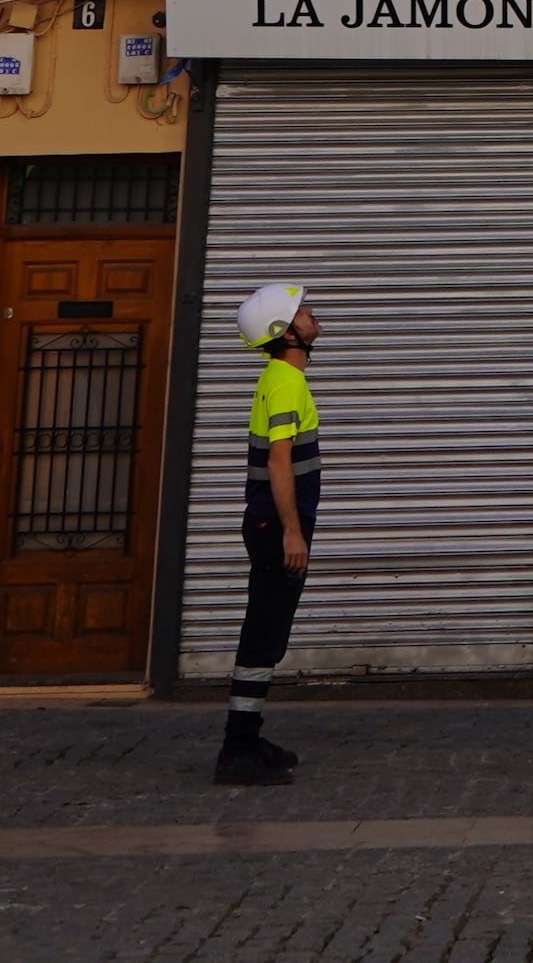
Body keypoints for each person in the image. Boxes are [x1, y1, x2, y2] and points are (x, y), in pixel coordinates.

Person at [215, 280, 323, 785]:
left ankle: (249, 737)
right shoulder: (286, 382)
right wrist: (292, 533)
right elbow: (280, 461)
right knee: (263, 631)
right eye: (302, 312)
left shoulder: (279, 378)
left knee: (269, 630)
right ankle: (236, 751)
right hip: (274, 527)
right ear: (285, 332)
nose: (312, 315)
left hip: (271, 524)